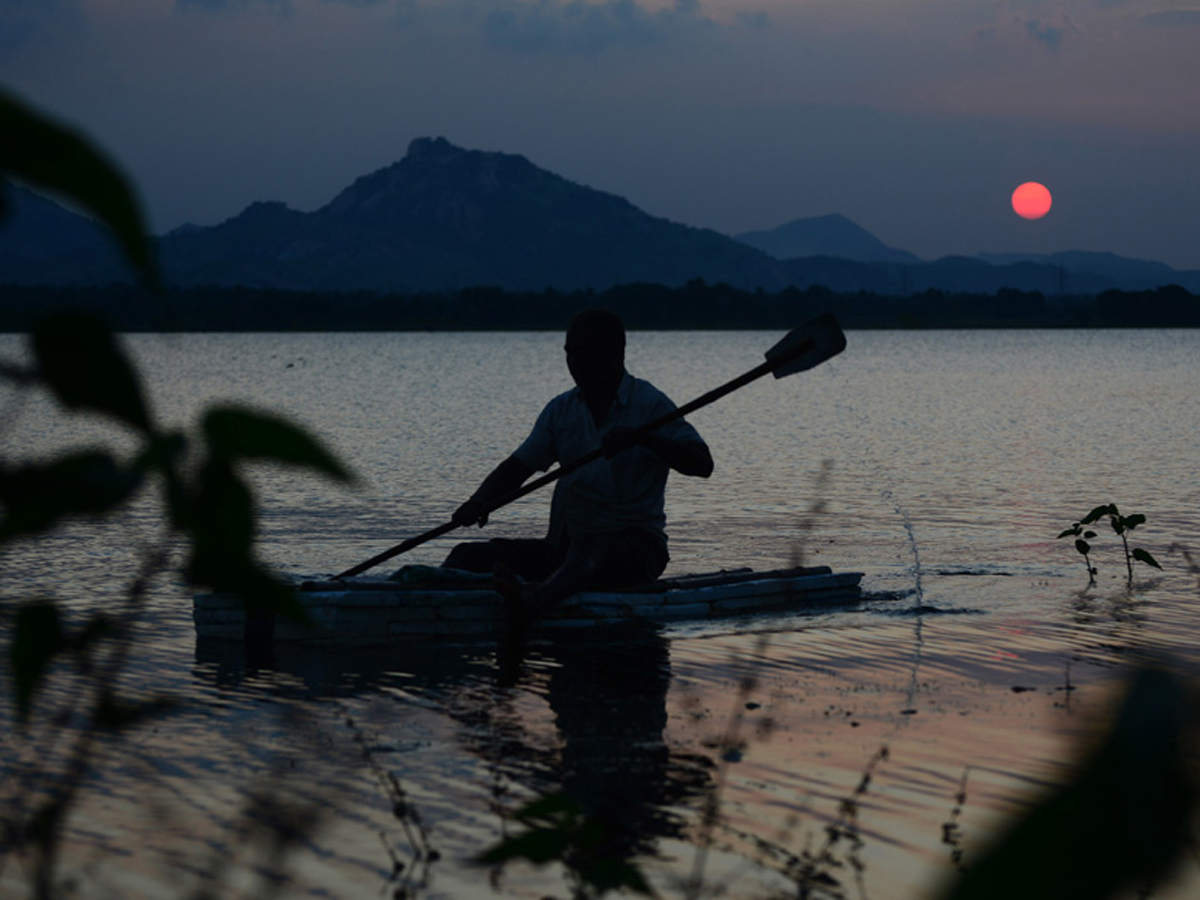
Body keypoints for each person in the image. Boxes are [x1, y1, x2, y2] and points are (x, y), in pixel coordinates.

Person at [443, 309, 713, 618]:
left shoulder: (650, 404)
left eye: (585, 352)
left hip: (637, 550)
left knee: (589, 548)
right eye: (570, 353)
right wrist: (479, 500)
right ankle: (428, 599)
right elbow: (518, 467)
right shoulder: (561, 410)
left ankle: (537, 599)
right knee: (468, 555)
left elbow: (702, 464)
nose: (575, 362)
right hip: (565, 549)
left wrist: (643, 438)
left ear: (615, 353)